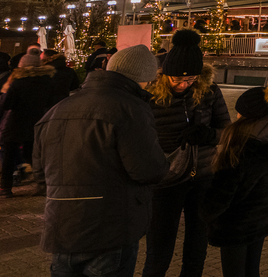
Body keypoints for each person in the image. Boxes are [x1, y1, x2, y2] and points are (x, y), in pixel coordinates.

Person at [33, 44, 168, 277]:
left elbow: (39, 171)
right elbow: (147, 170)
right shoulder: (130, 108)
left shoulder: (58, 109)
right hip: (110, 227)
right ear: (142, 78)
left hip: (62, 225)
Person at [143, 29, 231, 277]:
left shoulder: (210, 92)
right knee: (159, 247)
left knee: (197, 243)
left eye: (190, 79)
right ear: (164, 74)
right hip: (165, 180)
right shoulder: (149, 96)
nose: (183, 84)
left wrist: (208, 135)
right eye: (177, 79)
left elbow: (226, 131)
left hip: (202, 176)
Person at [201, 84, 268, 277]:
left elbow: (223, 192)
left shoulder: (241, 145)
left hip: (235, 224)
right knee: (252, 269)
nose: (236, 115)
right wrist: (264, 191)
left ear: (249, 115)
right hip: (261, 218)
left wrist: (205, 213)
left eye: (239, 112)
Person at [0, 53, 56, 196]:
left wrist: (4, 93)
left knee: (9, 154)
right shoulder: (47, 81)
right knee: (33, 154)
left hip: (15, 121)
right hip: (37, 120)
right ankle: (41, 183)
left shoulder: (17, 82)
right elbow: (51, 101)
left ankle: (5, 187)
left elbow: (7, 104)